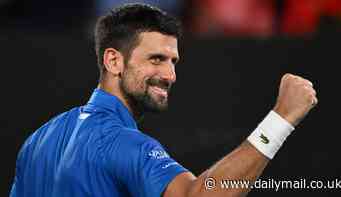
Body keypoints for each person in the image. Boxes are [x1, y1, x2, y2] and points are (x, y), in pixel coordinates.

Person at [10, 3, 318, 197]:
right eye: (156, 59)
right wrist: (280, 118)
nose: (169, 75)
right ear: (114, 61)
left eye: (173, 61)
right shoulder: (123, 142)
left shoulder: (38, 140)